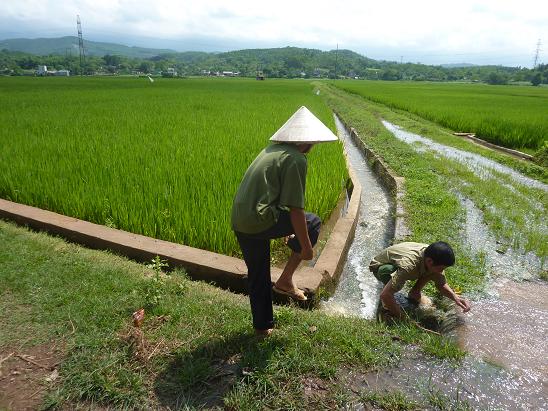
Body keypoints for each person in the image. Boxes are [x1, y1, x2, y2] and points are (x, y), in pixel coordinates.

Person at [232, 106, 338, 337]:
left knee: (258, 275)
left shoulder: (272, 150)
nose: (314, 147)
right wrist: (307, 248)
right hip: (260, 219)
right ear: (307, 141)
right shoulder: (296, 159)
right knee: (312, 222)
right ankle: (286, 279)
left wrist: (283, 228)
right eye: (315, 142)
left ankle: (262, 328)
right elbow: (296, 211)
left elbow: (270, 195)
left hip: (241, 220)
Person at [369, 241, 471, 320]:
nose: (442, 271)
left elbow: (441, 284)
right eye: (442, 268)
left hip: (410, 263)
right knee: (387, 274)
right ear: (429, 261)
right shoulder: (409, 265)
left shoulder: (433, 257)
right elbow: (384, 295)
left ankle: (415, 292)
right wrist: (403, 318)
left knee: (434, 272)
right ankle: (388, 302)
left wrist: (456, 298)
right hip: (382, 266)